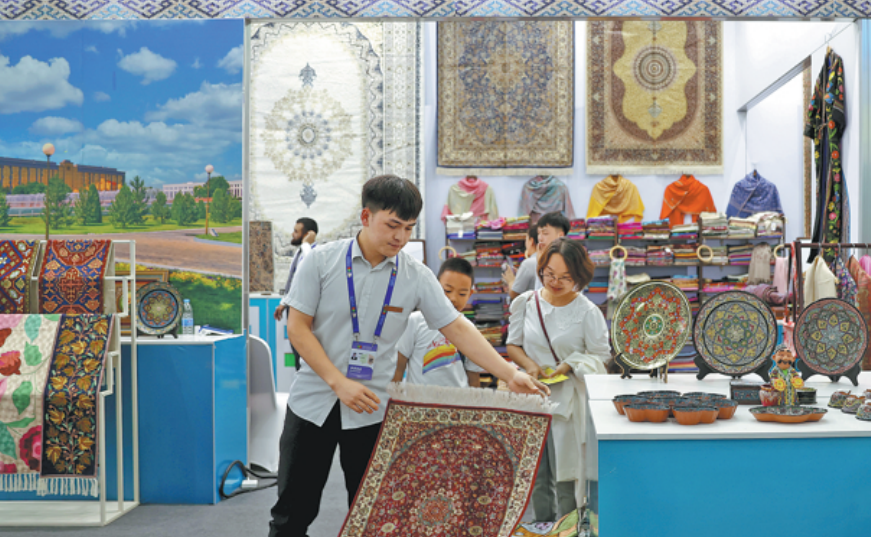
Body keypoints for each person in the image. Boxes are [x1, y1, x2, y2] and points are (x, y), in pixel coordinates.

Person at [270, 175, 548, 537]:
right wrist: (339, 383)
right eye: (392, 225)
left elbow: (457, 327)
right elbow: (298, 328)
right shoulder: (321, 261)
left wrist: (510, 374)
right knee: (292, 515)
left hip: (373, 411)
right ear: (365, 217)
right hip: (312, 404)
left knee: (377, 514)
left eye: (409, 227)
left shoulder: (415, 276)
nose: (400, 237)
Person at [506, 238, 609, 522]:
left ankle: (567, 526)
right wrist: (531, 367)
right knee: (536, 474)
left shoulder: (588, 312)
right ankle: (541, 526)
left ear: (579, 276)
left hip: (570, 404)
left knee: (567, 476)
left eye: (566, 277)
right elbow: (512, 345)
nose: (556, 282)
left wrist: (568, 365)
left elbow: (602, 357)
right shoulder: (525, 303)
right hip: (532, 397)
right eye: (550, 274)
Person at [393, 257, 476, 387]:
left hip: (457, 403)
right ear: (435, 287)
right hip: (419, 402)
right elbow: (399, 366)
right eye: (447, 291)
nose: (453, 298)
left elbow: (473, 375)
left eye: (462, 293)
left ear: (470, 294)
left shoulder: (469, 329)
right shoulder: (415, 322)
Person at [274, 217, 319, 321]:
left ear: (308, 234)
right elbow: (294, 281)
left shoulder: (317, 253)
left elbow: (310, 266)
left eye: (296, 231)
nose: (292, 234)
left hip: (306, 308)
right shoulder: (299, 253)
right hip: (294, 306)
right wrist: (283, 302)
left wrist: (306, 243)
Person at [504, 223, 538, 301]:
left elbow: (515, 294)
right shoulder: (548, 259)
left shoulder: (528, 263)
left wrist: (511, 280)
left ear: (531, 241)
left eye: (526, 240)